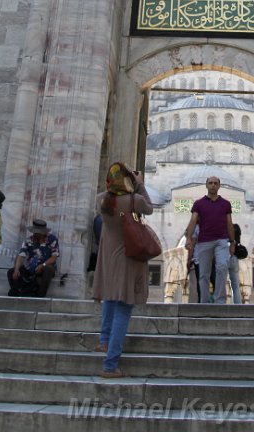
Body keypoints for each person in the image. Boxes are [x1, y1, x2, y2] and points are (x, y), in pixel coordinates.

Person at [93, 161, 153, 377]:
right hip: (127, 259)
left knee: (110, 298)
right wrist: (140, 184)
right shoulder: (133, 201)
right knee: (123, 308)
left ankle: (103, 341)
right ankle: (110, 365)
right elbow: (150, 206)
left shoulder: (102, 201)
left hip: (108, 260)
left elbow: (108, 194)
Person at [185, 176, 235, 304]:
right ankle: (205, 301)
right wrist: (189, 238)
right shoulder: (199, 203)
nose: (213, 185)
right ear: (206, 185)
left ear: (219, 186)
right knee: (203, 273)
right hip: (204, 242)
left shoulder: (225, 204)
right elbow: (193, 221)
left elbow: (229, 223)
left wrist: (232, 242)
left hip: (221, 241)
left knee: (222, 268)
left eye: (215, 183)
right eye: (210, 183)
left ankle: (220, 300)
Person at [8, 219, 60, 297]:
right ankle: (17, 293)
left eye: (37, 233)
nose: (35, 234)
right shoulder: (29, 240)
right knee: (11, 272)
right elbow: (21, 256)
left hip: (45, 266)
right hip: (31, 268)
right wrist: (16, 269)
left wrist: (43, 265)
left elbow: (54, 257)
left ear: (42, 233)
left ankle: (40, 295)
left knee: (48, 269)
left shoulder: (52, 239)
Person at [228, 223, 243, 304]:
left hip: (223, 256)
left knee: (220, 282)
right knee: (235, 284)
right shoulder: (236, 227)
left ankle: (220, 304)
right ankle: (238, 304)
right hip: (234, 257)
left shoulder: (223, 227)